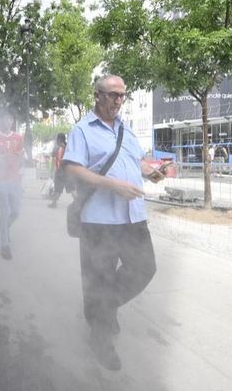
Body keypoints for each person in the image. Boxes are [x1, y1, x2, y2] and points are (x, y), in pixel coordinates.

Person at [63, 75, 162, 372]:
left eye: (122, 96)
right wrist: (111, 185)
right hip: (99, 221)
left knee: (145, 268)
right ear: (97, 95)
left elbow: (137, 163)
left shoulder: (126, 130)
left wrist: (153, 172)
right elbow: (72, 169)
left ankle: (104, 309)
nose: (118, 101)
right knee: (98, 279)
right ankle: (100, 338)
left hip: (133, 217)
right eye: (112, 95)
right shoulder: (82, 130)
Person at [0, 112, 23, 260]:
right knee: (5, 210)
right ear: (1, 121)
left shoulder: (18, 137)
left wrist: (20, 158)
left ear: (13, 121)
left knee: (16, 211)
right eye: (5, 119)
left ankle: (5, 229)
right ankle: (5, 245)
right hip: (1, 179)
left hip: (15, 179)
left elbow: (21, 155)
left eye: (10, 119)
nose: (8, 122)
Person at [48, 133, 69, 208]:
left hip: (60, 171)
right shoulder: (67, 147)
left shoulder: (60, 148)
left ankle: (54, 203)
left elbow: (59, 160)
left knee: (57, 188)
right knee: (72, 188)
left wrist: (54, 171)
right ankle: (79, 203)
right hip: (67, 171)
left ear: (59, 139)